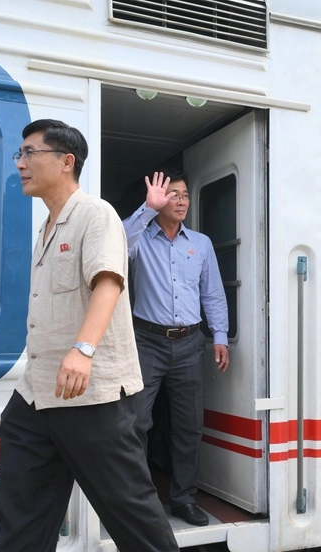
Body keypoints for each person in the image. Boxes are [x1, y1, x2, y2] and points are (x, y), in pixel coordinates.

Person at [0, 120, 190, 552]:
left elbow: (108, 281)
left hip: (92, 391)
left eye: (30, 152)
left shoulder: (95, 214)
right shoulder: (48, 227)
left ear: (66, 161)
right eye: (20, 153)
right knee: (21, 501)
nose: (20, 163)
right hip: (38, 391)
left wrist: (84, 350)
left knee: (125, 498)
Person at [122, 170, 230, 527]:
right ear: (159, 199)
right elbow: (114, 244)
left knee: (188, 425)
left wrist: (219, 335)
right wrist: (146, 209)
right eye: (173, 194)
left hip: (189, 343)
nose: (181, 201)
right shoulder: (140, 238)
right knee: (137, 422)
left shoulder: (200, 243)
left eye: (184, 195)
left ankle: (183, 499)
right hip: (146, 341)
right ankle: (138, 502)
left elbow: (212, 293)